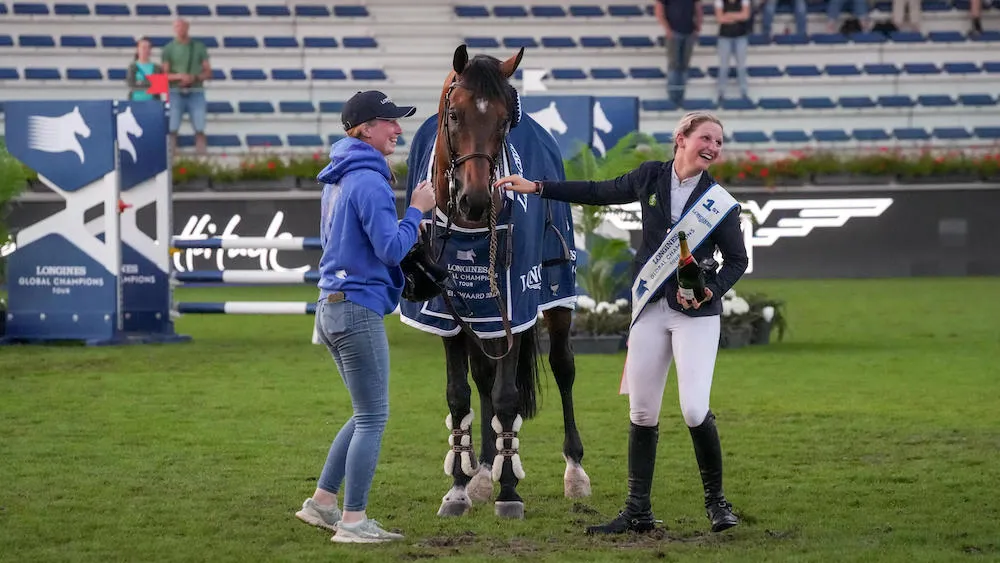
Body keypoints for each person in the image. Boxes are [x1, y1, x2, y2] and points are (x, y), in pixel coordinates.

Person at [494, 112, 749, 535]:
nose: (714, 147)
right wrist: (537, 188)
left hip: (696, 317)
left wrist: (711, 288)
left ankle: (717, 505)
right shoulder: (651, 177)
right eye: (707, 137)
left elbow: (737, 260)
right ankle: (638, 512)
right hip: (650, 309)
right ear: (681, 139)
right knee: (642, 411)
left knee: (693, 408)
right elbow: (597, 191)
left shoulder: (718, 203)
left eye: (719, 142)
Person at [294, 90, 436, 544]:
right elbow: (391, 248)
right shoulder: (370, 180)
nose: (398, 130)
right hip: (356, 307)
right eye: (390, 122)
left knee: (363, 413)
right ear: (365, 128)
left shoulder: (339, 175)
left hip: (331, 305)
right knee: (374, 416)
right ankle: (353, 522)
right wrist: (417, 210)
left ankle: (322, 503)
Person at [161, 19, 211, 155]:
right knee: (172, 128)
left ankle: (202, 159)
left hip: (196, 90)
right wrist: (180, 77)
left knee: (200, 128)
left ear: (187, 28)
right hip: (176, 91)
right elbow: (164, 75)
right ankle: (171, 160)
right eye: (177, 26)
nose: (180, 29)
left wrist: (194, 77)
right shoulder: (168, 48)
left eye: (182, 26)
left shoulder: (199, 47)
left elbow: (208, 72)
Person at [654, 0, 702, 106]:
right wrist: (667, 29)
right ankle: (673, 97)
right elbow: (659, 10)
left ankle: (681, 96)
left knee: (684, 66)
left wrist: (698, 26)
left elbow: (698, 8)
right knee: (674, 65)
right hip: (674, 32)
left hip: (689, 31)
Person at [715, 0, 751, 101]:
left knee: (741, 66)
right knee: (724, 66)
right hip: (724, 37)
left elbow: (746, 15)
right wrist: (737, 16)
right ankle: (721, 92)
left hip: (741, 36)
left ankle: (744, 92)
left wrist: (729, 14)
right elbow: (720, 18)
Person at [125, 37, 163, 101]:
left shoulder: (156, 67)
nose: (146, 50)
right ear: (138, 49)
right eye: (143, 47)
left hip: (153, 102)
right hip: (135, 101)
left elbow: (159, 86)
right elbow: (131, 84)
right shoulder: (132, 66)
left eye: (148, 47)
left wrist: (139, 82)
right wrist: (150, 82)